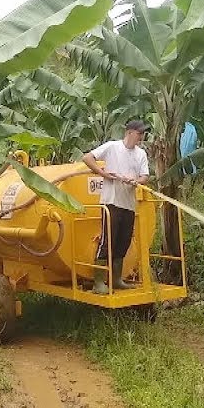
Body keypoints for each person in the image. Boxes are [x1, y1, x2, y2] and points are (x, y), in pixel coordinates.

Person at [81, 120, 151, 294]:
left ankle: (116, 279)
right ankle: (99, 282)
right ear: (129, 132)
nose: (141, 137)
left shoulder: (141, 154)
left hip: (129, 204)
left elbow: (145, 176)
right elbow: (87, 158)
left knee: (123, 242)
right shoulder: (112, 147)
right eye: (139, 133)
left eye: (142, 134)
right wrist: (104, 174)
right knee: (107, 241)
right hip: (111, 202)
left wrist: (135, 181)